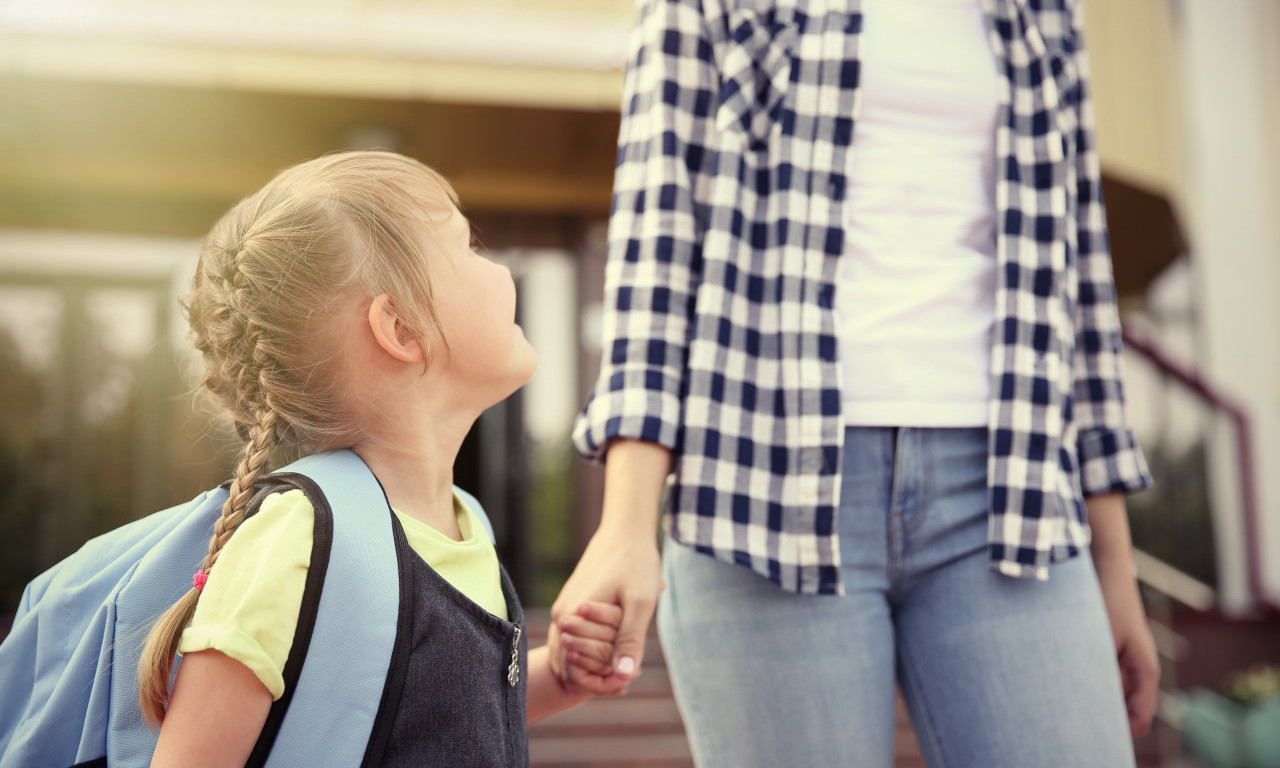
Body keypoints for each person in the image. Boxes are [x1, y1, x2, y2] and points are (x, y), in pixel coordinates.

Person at [550, 0, 1161, 765]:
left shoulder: (1041, 13)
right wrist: (624, 525)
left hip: (1014, 495)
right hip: (762, 492)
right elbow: (655, 243)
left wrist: (1113, 563)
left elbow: (1080, 277)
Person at [139, 150, 620, 767]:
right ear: (401, 327)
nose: (500, 270)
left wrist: (563, 675)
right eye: (468, 246)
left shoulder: (462, 519)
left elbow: (430, 719)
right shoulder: (298, 540)